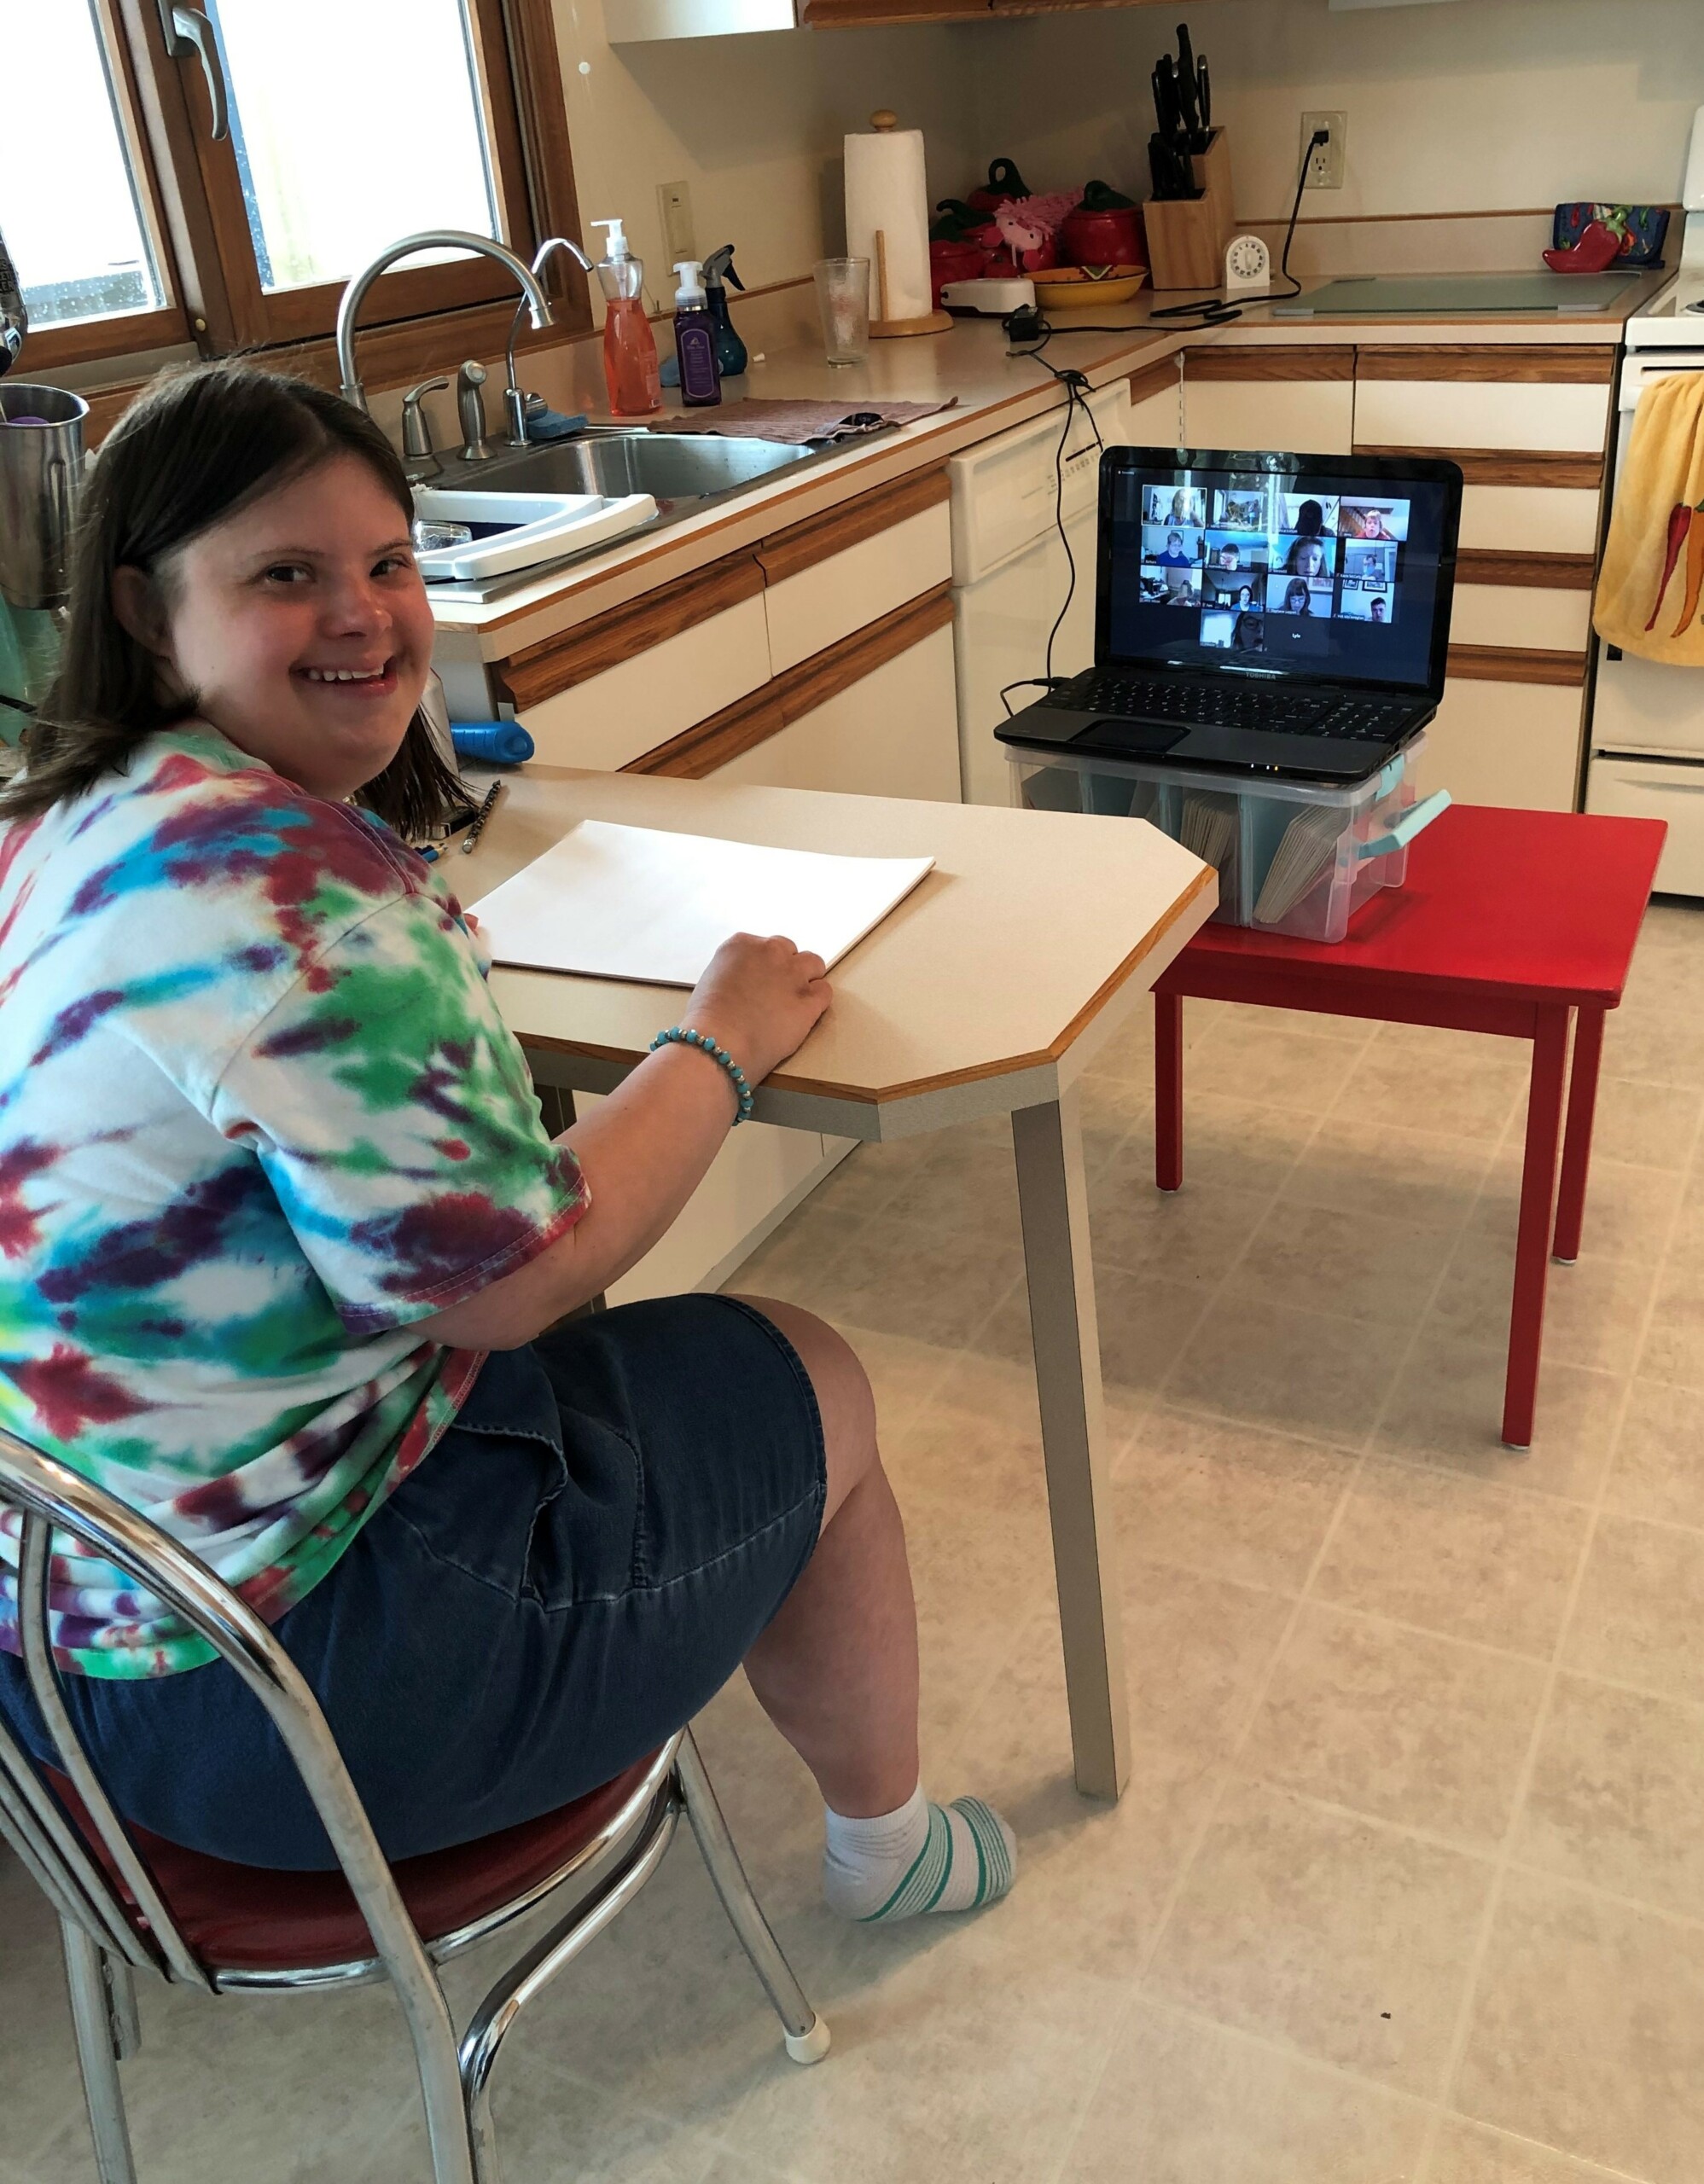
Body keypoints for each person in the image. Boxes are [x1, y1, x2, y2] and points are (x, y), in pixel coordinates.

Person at [0, 362, 1016, 1920]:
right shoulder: (302, 904)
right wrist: (718, 1040)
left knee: (611, 1377)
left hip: (67, 1674)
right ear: (147, 612)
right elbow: (508, 1289)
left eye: (387, 565)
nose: (365, 615)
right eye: (288, 575)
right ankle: (886, 1854)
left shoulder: (52, 820)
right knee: (811, 1371)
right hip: (295, 1709)